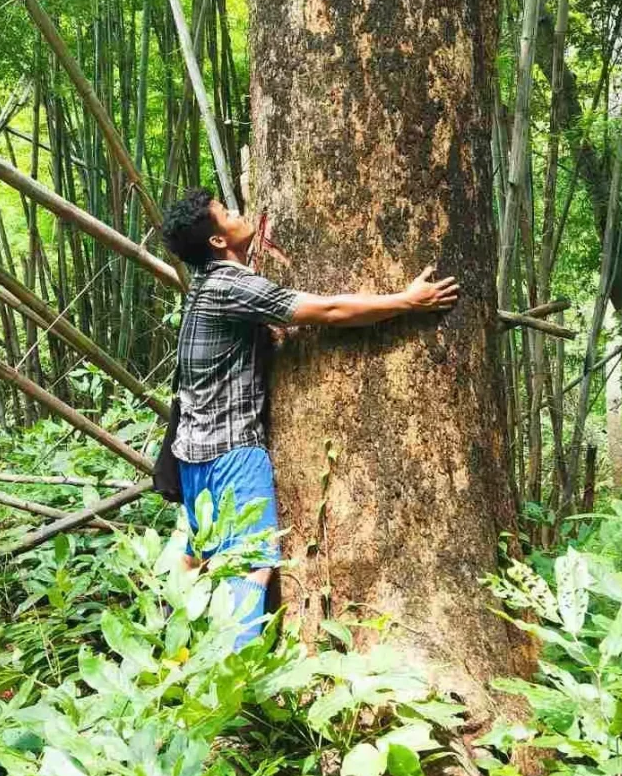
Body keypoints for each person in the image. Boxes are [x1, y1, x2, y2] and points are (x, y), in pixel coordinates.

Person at [159, 187, 459, 651]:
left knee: (201, 557)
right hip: (231, 453)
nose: (238, 211)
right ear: (217, 242)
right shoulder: (230, 286)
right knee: (252, 564)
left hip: (192, 453)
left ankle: (172, 652)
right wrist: (407, 301)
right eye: (226, 212)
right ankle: (234, 689)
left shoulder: (206, 285)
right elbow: (330, 311)